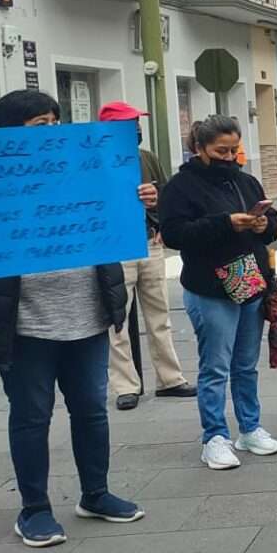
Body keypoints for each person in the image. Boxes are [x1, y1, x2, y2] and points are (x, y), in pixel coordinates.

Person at [0, 90, 144, 547]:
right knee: (31, 416)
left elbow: (121, 223)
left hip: (87, 316)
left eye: (55, 121)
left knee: (91, 411)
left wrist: (137, 199)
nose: (52, 131)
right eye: (38, 124)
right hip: (24, 326)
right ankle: (35, 509)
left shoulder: (87, 174)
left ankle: (96, 494)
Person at [159, 116, 277, 470]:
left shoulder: (247, 182)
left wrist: (263, 223)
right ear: (199, 149)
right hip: (210, 285)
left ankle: (250, 427)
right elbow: (174, 234)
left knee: (245, 364)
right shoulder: (181, 187)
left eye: (234, 150)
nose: (229, 157)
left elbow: (272, 226)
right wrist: (225, 223)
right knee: (215, 366)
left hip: (250, 281)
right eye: (220, 151)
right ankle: (214, 435)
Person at [99, 101, 193, 411]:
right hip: (115, 247)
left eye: (136, 124)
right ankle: (126, 385)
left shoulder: (147, 158)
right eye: (128, 124)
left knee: (159, 314)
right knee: (117, 320)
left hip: (149, 241)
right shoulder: (94, 162)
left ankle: (170, 378)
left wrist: (158, 211)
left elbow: (165, 195)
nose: (135, 130)